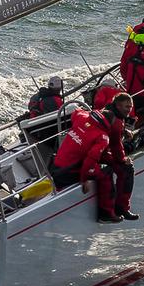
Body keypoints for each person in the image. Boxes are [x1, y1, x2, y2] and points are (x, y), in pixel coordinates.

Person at [50, 94, 137, 224]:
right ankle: (106, 213)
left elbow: (76, 112)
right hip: (69, 171)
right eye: (127, 106)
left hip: (57, 165)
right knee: (106, 172)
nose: (129, 109)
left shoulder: (82, 118)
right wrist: (85, 180)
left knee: (118, 167)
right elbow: (90, 162)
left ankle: (119, 208)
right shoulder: (102, 137)